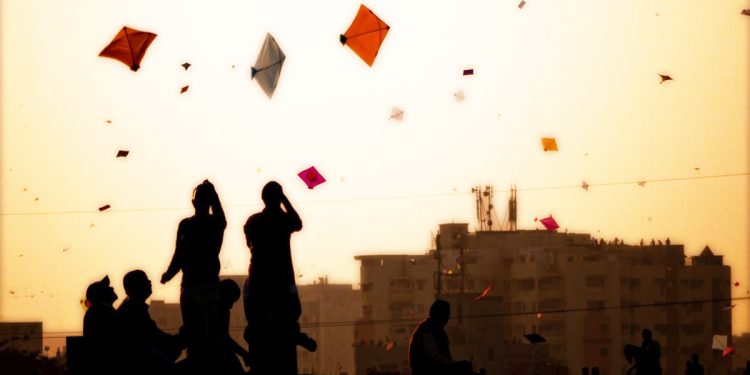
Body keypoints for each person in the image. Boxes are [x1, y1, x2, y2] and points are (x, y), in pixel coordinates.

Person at [243, 181, 315, 374]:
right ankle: (294, 334)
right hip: (282, 284)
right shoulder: (283, 221)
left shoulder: (253, 222)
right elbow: (298, 223)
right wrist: (285, 201)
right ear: (278, 199)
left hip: (258, 283)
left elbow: (249, 242)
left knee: (257, 323)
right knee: (290, 317)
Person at [161, 179, 229, 374]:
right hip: (198, 285)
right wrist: (169, 273)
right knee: (204, 335)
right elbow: (179, 254)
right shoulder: (210, 224)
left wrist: (169, 274)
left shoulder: (196, 225)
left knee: (203, 335)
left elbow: (179, 255)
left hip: (196, 285)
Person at [117, 270, 185, 375]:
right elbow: (156, 337)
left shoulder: (131, 308)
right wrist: (180, 339)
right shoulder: (134, 310)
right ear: (136, 286)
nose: (149, 282)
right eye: (145, 280)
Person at [409, 300, 476, 375]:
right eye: (447, 313)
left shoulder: (432, 329)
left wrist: (455, 364)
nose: (448, 316)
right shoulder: (428, 329)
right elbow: (434, 356)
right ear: (441, 314)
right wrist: (456, 365)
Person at [82, 275, 119, 375]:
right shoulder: (101, 310)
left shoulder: (100, 310)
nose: (112, 288)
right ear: (100, 295)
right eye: (107, 287)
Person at [217, 279, 251, 374]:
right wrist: (244, 354)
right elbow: (224, 338)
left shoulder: (219, 308)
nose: (231, 306)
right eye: (230, 301)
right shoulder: (221, 311)